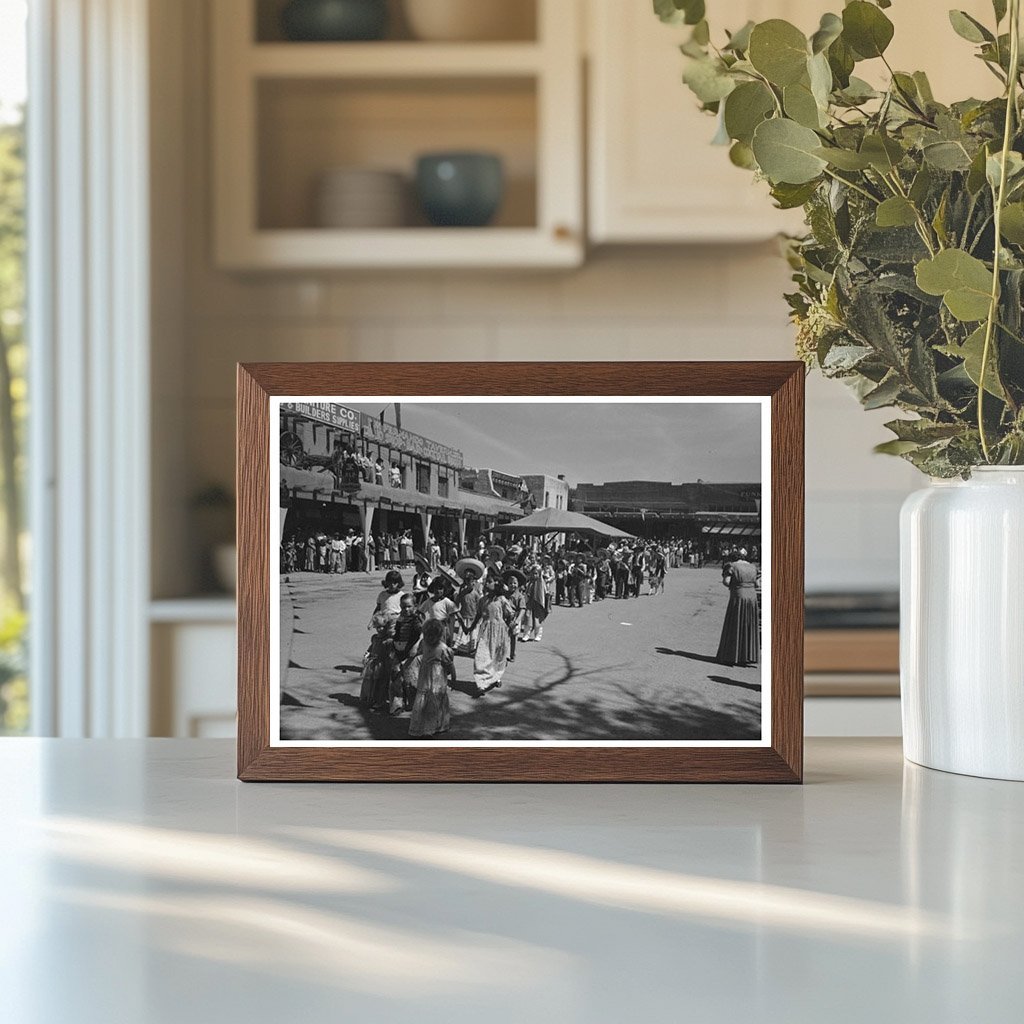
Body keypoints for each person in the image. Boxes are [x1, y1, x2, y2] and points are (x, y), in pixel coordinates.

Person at [409, 618, 454, 738]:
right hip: (425, 677)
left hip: (437, 679)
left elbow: (449, 664)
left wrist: (453, 678)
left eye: (432, 636)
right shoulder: (423, 643)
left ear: (439, 635)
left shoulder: (443, 648)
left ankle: (435, 726)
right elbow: (417, 655)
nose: (429, 638)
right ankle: (422, 726)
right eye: (427, 635)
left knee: (436, 700)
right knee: (424, 701)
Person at [716, 549, 760, 667]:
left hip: (738, 595)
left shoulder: (731, 566)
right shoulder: (753, 567)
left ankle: (732, 655)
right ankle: (747, 655)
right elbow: (758, 584)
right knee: (749, 624)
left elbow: (726, 581)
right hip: (752, 597)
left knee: (735, 623)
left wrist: (736, 585)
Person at [471, 578, 515, 693]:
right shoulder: (482, 600)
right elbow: (478, 615)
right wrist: (470, 628)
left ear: (496, 585)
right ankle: (481, 683)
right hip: (485, 631)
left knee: (498, 657)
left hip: (500, 631)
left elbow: (510, 613)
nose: (487, 583)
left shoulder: (501, 600)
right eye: (487, 581)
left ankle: (496, 677)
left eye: (490, 581)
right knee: (482, 656)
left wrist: (509, 624)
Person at [391, 593, 422, 711]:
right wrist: (393, 644)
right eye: (403, 607)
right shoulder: (400, 618)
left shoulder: (416, 619)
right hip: (398, 650)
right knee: (397, 679)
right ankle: (398, 704)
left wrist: (415, 646)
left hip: (410, 653)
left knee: (411, 680)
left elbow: (421, 634)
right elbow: (397, 633)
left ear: (415, 606)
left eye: (409, 606)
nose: (406, 609)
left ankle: (414, 704)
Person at [453, 567, 484, 654]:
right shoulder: (463, 593)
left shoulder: (476, 594)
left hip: (473, 616)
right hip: (464, 615)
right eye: (471, 582)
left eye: (474, 582)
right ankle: (458, 647)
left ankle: (472, 648)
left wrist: (480, 615)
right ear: (467, 583)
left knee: (473, 633)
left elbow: (479, 604)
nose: (473, 584)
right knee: (462, 632)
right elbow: (458, 601)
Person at [421, 576, 458, 645]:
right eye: (436, 588)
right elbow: (420, 612)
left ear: (444, 590)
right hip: (432, 627)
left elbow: (456, 612)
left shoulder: (446, 601)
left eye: (440, 589)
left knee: (442, 644)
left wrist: (463, 626)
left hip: (443, 627)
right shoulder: (429, 601)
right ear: (432, 589)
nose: (438, 591)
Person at [521, 561, 549, 642]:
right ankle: (526, 634)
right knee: (528, 619)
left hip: (538, 603)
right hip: (529, 603)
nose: (534, 575)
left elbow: (545, 591)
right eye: (533, 573)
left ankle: (538, 635)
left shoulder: (541, 582)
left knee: (537, 620)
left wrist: (547, 596)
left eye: (536, 573)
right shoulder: (530, 582)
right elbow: (526, 591)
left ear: (539, 574)